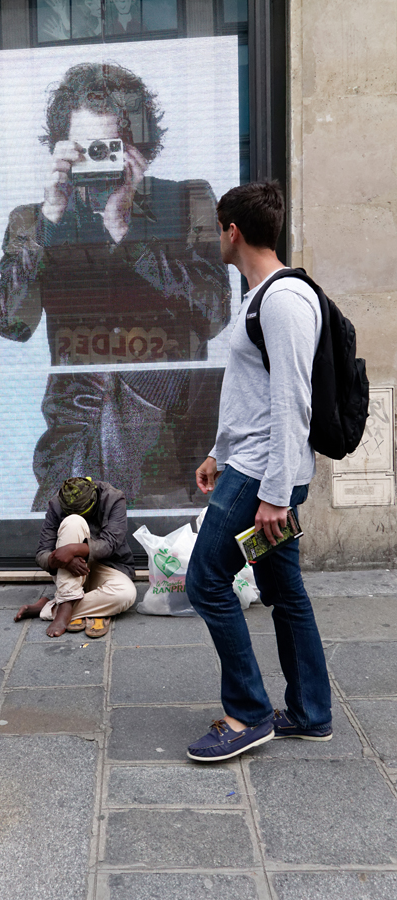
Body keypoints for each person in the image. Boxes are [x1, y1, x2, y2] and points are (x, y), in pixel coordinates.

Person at [0, 62, 231, 512]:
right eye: (81, 149)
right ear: (59, 147)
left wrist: (128, 231)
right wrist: (47, 223)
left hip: (170, 443)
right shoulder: (36, 219)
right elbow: (11, 324)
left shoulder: (185, 200)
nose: (95, 160)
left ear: (137, 148)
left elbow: (215, 314)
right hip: (73, 442)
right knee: (76, 566)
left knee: (170, 569)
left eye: (107, 147)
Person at [184, 181, 332, 763]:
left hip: (264, 474)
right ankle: (310, 713)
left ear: (233, 231)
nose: (214, 238)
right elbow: (253, 390)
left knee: (205, 582)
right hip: (247, 463)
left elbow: (292, 402)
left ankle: (247, 714)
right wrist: (218, 452)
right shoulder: (259, 296)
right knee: (283, 589)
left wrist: (274, 494)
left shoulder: (282, 300)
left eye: (216, 229)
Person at [14, 476, 136, 638]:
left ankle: (49, 607)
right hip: (70, 573)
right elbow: (42, 554)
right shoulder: (57, 503)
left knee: (125, 595)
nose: (83, 518)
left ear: (94, 501)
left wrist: (73, 549)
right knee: (73, 522)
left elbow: (110, 544)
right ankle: (66, 606)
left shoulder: (113, 498)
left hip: (109, 566)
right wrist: (60, 560)